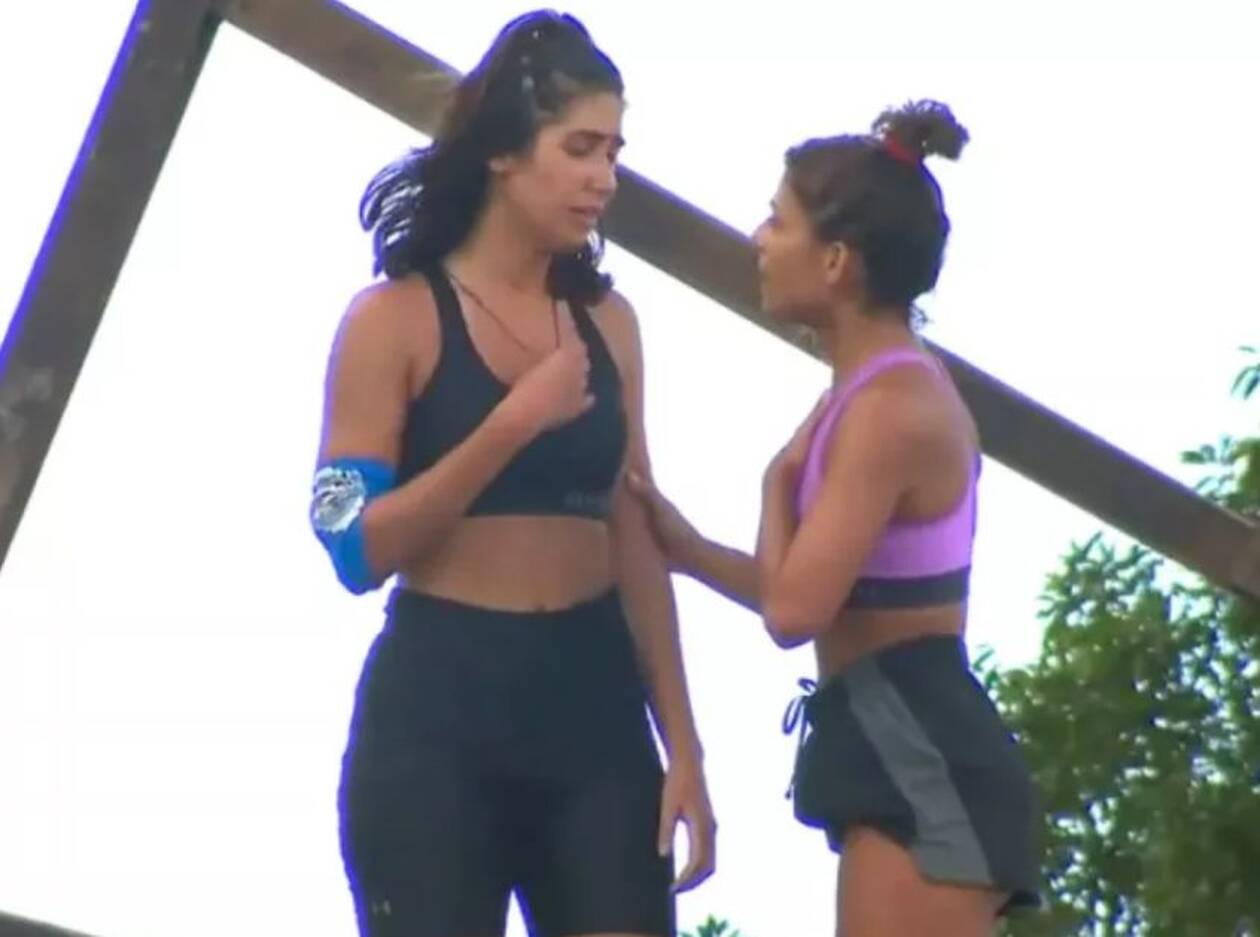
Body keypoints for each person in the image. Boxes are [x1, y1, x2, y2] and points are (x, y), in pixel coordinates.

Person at [309, 11, 715, 937]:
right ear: (501, 152)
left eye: (613, 152)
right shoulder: (392, 319)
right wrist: (513, 422)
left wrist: (685, 746)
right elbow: (353, 547)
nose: (603, 177)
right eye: (579, 149)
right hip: (439, 709)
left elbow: (635, 533)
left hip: (592, 698)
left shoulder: (611, 323)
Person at [627, 101, 1041, 936]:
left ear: (837, 261)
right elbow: (822, 584)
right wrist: (689, 550)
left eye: (778, 221)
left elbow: (793, 612)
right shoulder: (863, 391)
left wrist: (772, 486)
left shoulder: (890, 410)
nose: (758, 239)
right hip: (894, 748)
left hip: (924, 761)